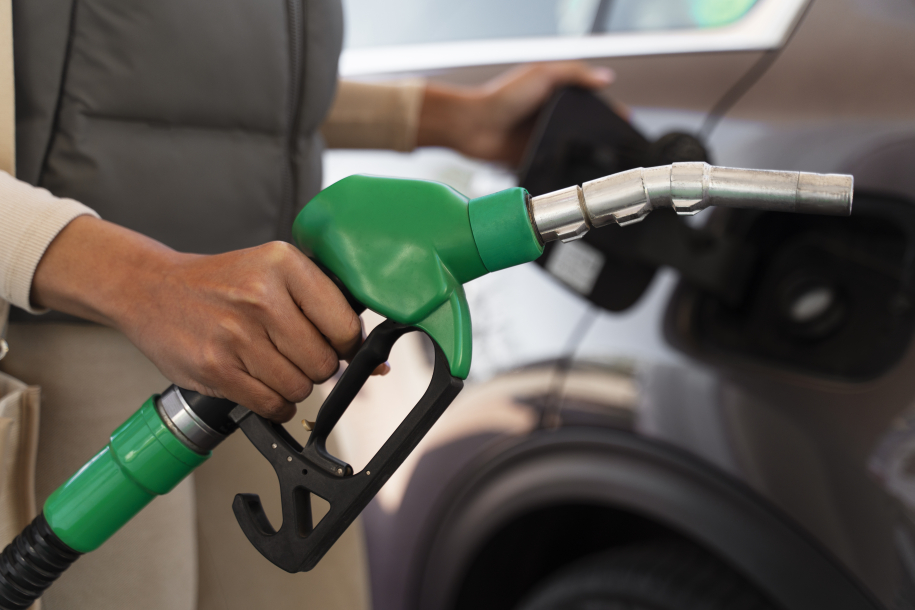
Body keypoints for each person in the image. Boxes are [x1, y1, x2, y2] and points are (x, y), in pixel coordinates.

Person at [0, 3, 613, 606]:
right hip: (75, 324)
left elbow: (222, 86)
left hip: (257, 322)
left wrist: (451, 119)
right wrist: (138, 281)